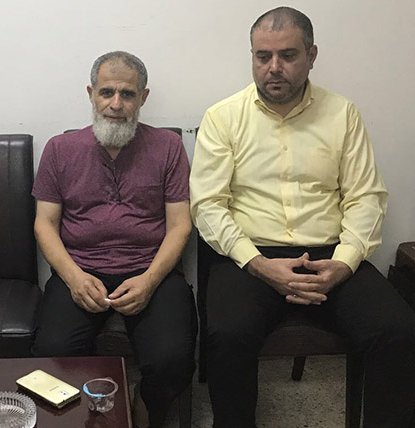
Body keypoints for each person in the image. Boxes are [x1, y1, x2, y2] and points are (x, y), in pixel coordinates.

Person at [190, 7, 415, 427]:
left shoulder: (342, 113)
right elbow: (208, 205)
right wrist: (258, 264)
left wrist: (344, 263)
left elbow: (365, 197)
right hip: (251, 256)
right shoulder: (223, 117)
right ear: (252, 57)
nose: (274, 68)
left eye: (288, 55)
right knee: (227, 335)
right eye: (263, 56)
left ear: (312, 55)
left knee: (398, 330)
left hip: (329, 254)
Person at [31, 51, 196, 428]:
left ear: (143, 97)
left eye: (127, 94)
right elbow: (44, 224)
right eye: (107, 92)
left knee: (173, 359)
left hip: (151, 270)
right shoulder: (59, 149)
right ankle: (84, 415)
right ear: (91, 94)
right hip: (81, 270)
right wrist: (74, 278)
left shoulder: (168, 146)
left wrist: (149, 281)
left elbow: (180, 226)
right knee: (52, 352)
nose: (116, 104)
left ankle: (143, 405)